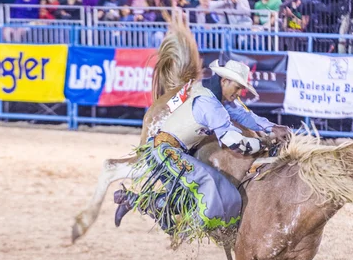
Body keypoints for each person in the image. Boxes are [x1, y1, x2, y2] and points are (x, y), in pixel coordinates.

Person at [113, 59, 289, 242]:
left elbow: (244, 115)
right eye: (237, 87)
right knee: (209, 185)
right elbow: (235, 142)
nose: (239, 93)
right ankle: (190, 228)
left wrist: (272, 127)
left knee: (196, 191)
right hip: (166, 153)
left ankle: (132, 200)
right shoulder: (210, 104)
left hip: (168, 152)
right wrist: (265, 143)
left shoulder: (214, 98)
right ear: (224, 81)